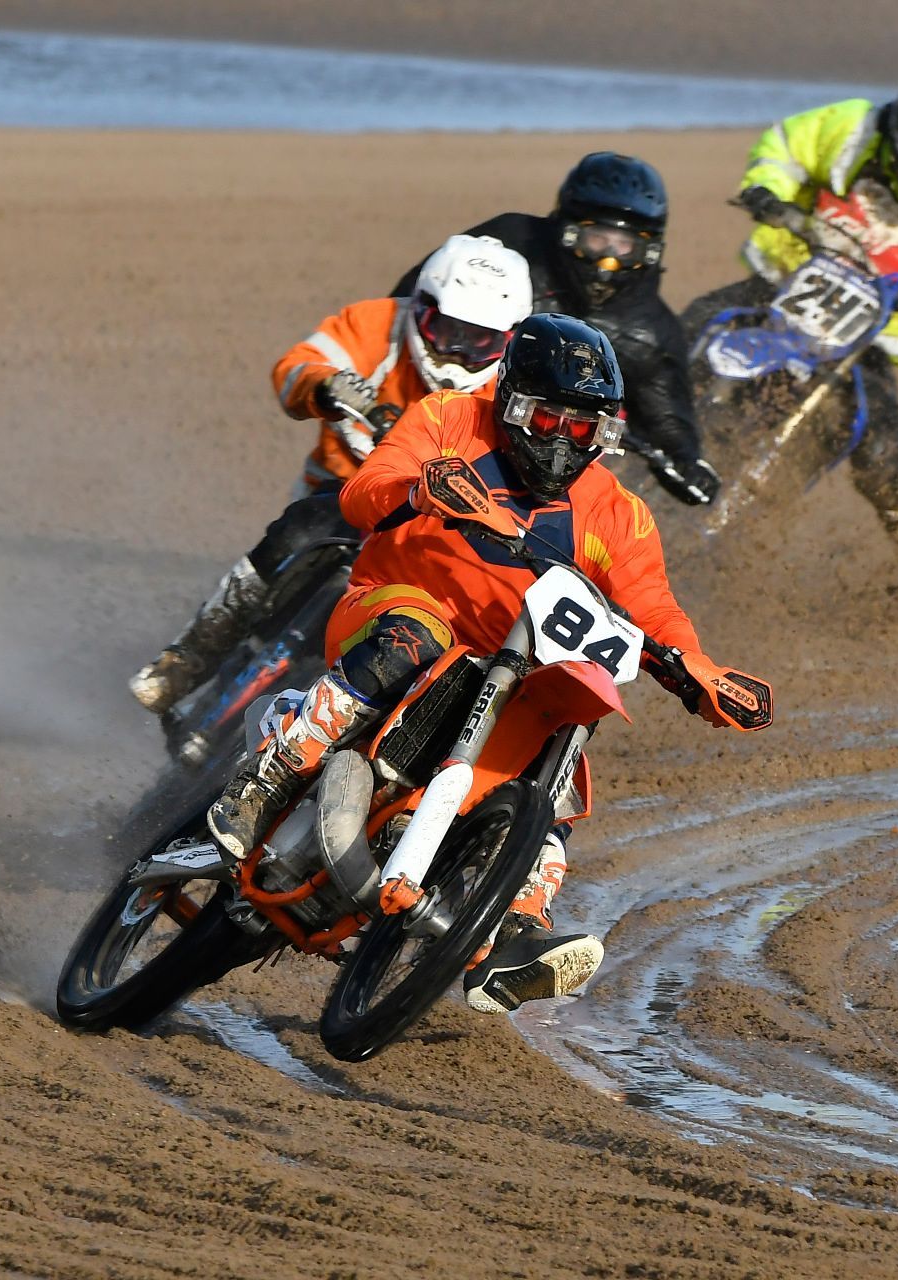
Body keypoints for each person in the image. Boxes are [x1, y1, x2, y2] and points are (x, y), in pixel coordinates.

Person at [206, 314, 773, 1012]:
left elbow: (652, 607)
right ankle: (267, 778)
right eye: (547, 419)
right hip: (395, 604)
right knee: (417, 631)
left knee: (561, 762)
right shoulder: (448, 419)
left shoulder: (618, 515)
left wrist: (698, 670)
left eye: (583, 429)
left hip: (509, 667)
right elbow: (362, 491)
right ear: (509, 401)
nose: (563, 441)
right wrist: (418, 489)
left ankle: (514, 928)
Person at [129, 235, 532, 717]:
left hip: (432, 530)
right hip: (341, 495)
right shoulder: (376, 323)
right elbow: (293, 367)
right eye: (447, 330)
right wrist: (328, 384)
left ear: (507, 338)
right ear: (421, 308)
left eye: (481, 340)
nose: (459, 352)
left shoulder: (512, 385)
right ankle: (186, 660)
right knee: (295, 533)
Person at [680, 54, 898, 562]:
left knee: (879, 449)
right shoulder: (851, 127)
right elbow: (785, 146)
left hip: (865, 341)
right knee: (678, 333)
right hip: (781, 285)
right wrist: (767, 189)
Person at [391, 152, 721, 510]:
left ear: (651, 252)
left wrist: (687, 461)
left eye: (626, 246)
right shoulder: (509, 242)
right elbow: (416, 300)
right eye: (596, 239)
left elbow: (667, 420)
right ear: (567, 231)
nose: (608, 260)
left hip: (524, 463)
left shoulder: (650, 333)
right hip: (420, 404)